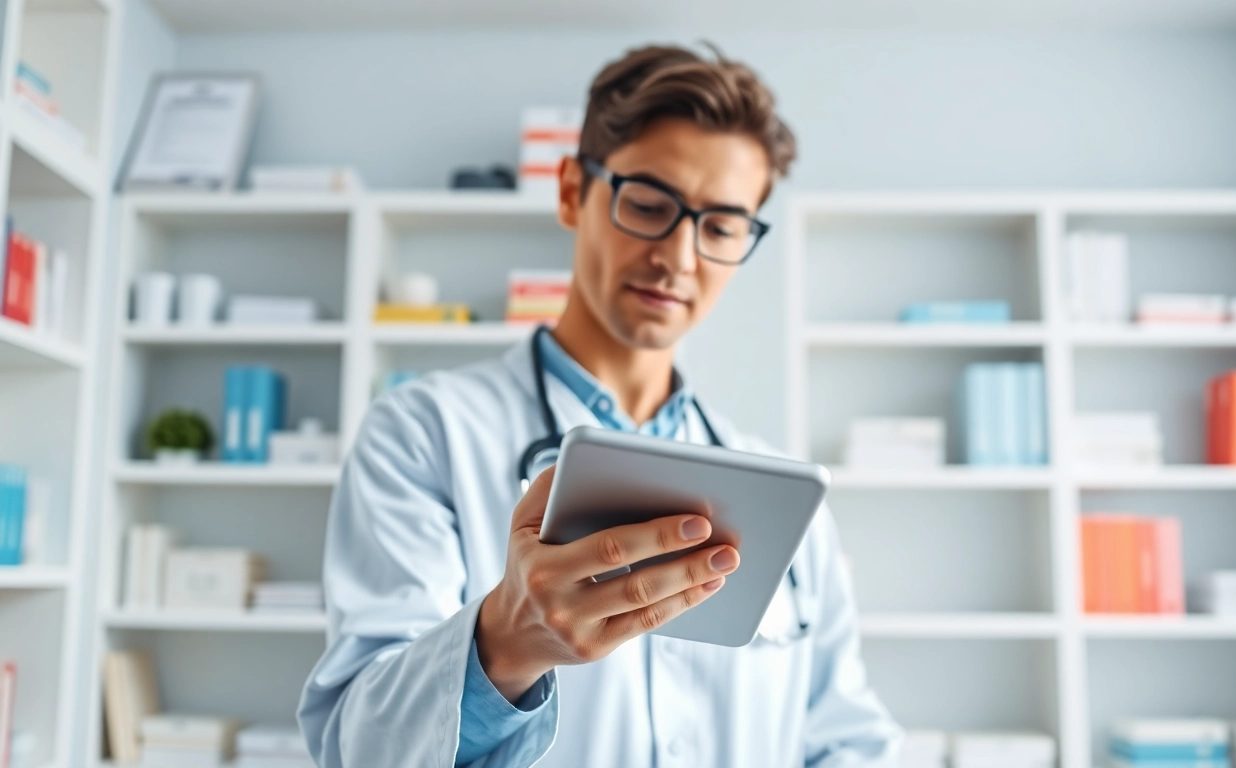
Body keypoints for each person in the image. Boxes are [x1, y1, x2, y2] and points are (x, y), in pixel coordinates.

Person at [298, 42, 902, 767]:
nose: (679, 257)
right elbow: (355, 748)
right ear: (570, 192)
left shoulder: (787, 498)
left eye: (719, 227)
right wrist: (503, 644)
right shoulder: (424, 435)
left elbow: (847, 741)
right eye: (649, 204)